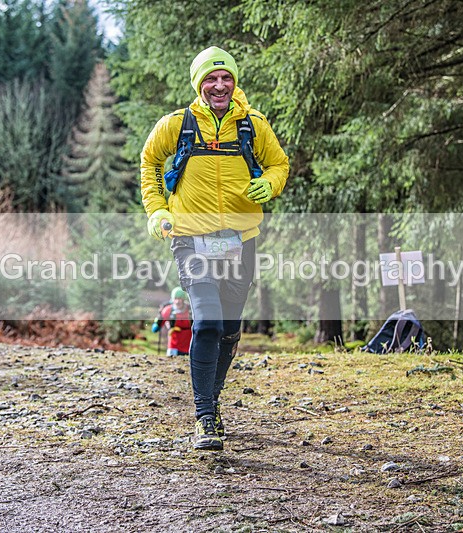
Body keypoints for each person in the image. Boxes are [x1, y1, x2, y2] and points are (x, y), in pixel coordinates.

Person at [140, 46, 289, 450]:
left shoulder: (253, 125)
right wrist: (157, 211)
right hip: (190, 237)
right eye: (210, 78)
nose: (219, 85)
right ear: (199, 85)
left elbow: (279, 164)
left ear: (234, 83)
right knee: (205, 322)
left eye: (225, 78)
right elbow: (149, 162)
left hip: (241, 239)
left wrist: (271, 184)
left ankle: (212, 399)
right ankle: (205, 416)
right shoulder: (177, 125)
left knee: (228, 330)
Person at [152, 287, 192, 356]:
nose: (177, 301)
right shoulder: (167, 310)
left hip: (189, 347)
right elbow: (155, 328)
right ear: (172, 299)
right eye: (175, 299)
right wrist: (158, 321)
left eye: (180, 298)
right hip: (173, 347)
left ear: (183, 299)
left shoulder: (191, 311)